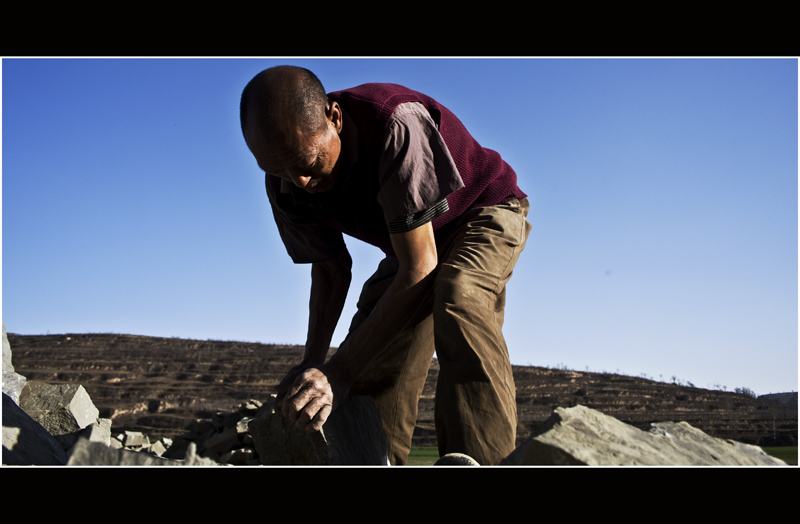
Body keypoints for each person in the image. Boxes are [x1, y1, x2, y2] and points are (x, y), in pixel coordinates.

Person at [239, 65, 531, 465]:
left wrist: (337, 372)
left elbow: (421, 267)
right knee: (373, 351)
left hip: (480, 211)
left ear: (334, 118)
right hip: (410, 244)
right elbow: (330, 270)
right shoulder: (285, 181)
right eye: (276, 168)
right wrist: (315, 362)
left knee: (459, 297)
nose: (299, 181)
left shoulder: (394, 124)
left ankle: (482, 461)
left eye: (307, 161)